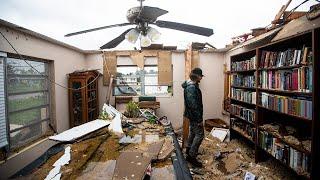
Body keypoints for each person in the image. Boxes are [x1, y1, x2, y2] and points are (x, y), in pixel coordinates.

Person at [181, 67, 204, 168]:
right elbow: (193, 105)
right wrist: (199, 119)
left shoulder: (191, 85)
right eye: (200, 76)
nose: (201, 78)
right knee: (200, 134)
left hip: (191, 115)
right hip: (194, 116)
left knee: (193, 133)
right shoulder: (191, 87)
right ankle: (192, 156)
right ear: (197, 76)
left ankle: (188, 150)